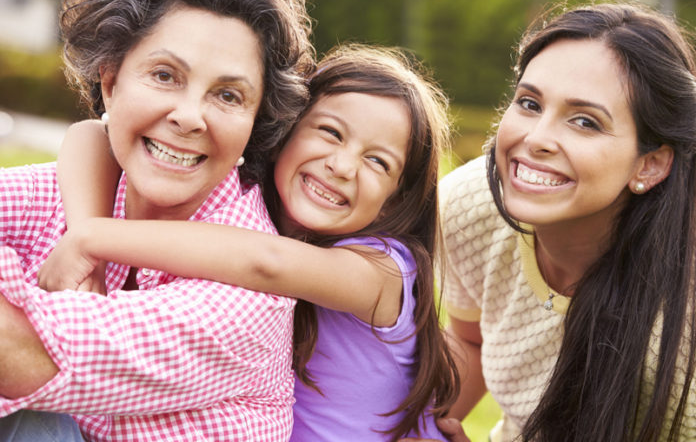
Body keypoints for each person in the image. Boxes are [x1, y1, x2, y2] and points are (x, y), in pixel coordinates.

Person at [37, 44, 461, 441]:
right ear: (285, 130)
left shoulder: (382, 272)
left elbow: (268, 263)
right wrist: (85, 232)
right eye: (331, 132)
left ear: (394, 202)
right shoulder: (245, 204)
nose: (343, 165)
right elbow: (93, 134)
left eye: (377, 161)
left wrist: (95, 239)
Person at [0, 0, 314, 440]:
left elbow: (19, 353)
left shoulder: (251, 296)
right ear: (110, 82)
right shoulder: (66, 190)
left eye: (228, 95)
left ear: (255, 123)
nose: (189, 117)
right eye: (165, 75)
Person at [436, 1, 696, 442]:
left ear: (649, 165)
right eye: (529, 103)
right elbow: (472, 342)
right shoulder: (471, 206)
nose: (535, 139)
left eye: (584, 121)